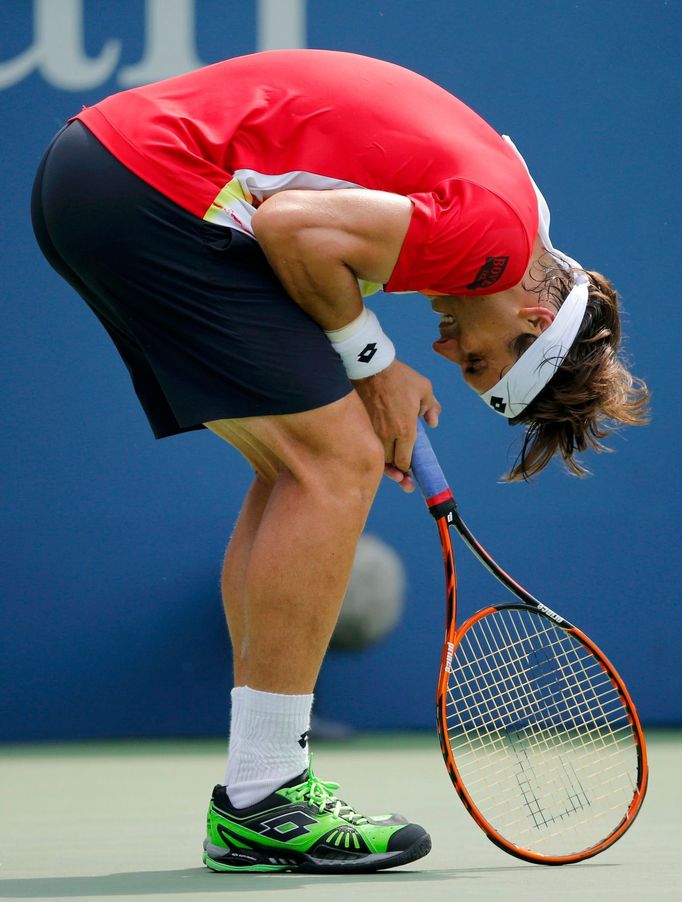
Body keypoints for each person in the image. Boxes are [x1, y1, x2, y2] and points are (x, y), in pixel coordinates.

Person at [31, 49, 649, 874]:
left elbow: (302, 223)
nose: (445, 345)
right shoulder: (493, 247)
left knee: (298, 468)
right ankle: (267, 796)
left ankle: (258, 792)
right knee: (337, 463)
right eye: (475, 361)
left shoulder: (516, 214)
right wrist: (373, 363)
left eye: (458, 360)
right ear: (534, 320)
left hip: (101, 172)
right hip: (149, 182)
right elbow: (292, 231)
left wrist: (363, 366)